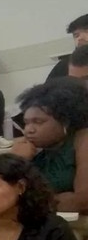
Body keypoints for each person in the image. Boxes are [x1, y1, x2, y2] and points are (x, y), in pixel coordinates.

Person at [11, 77, 88, 213]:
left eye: (38, 122)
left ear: (65, 121)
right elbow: (3, 199)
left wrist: (30, 203)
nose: (29, 129)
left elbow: (83, 201)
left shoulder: (83, 140)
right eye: (26, 122)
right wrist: (16, 162)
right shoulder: (32, 150)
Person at [46, 13, 88, 81]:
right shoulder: (64, 66)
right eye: (76, 35)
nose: (80, 38)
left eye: (86, 31)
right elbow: (48, 90)